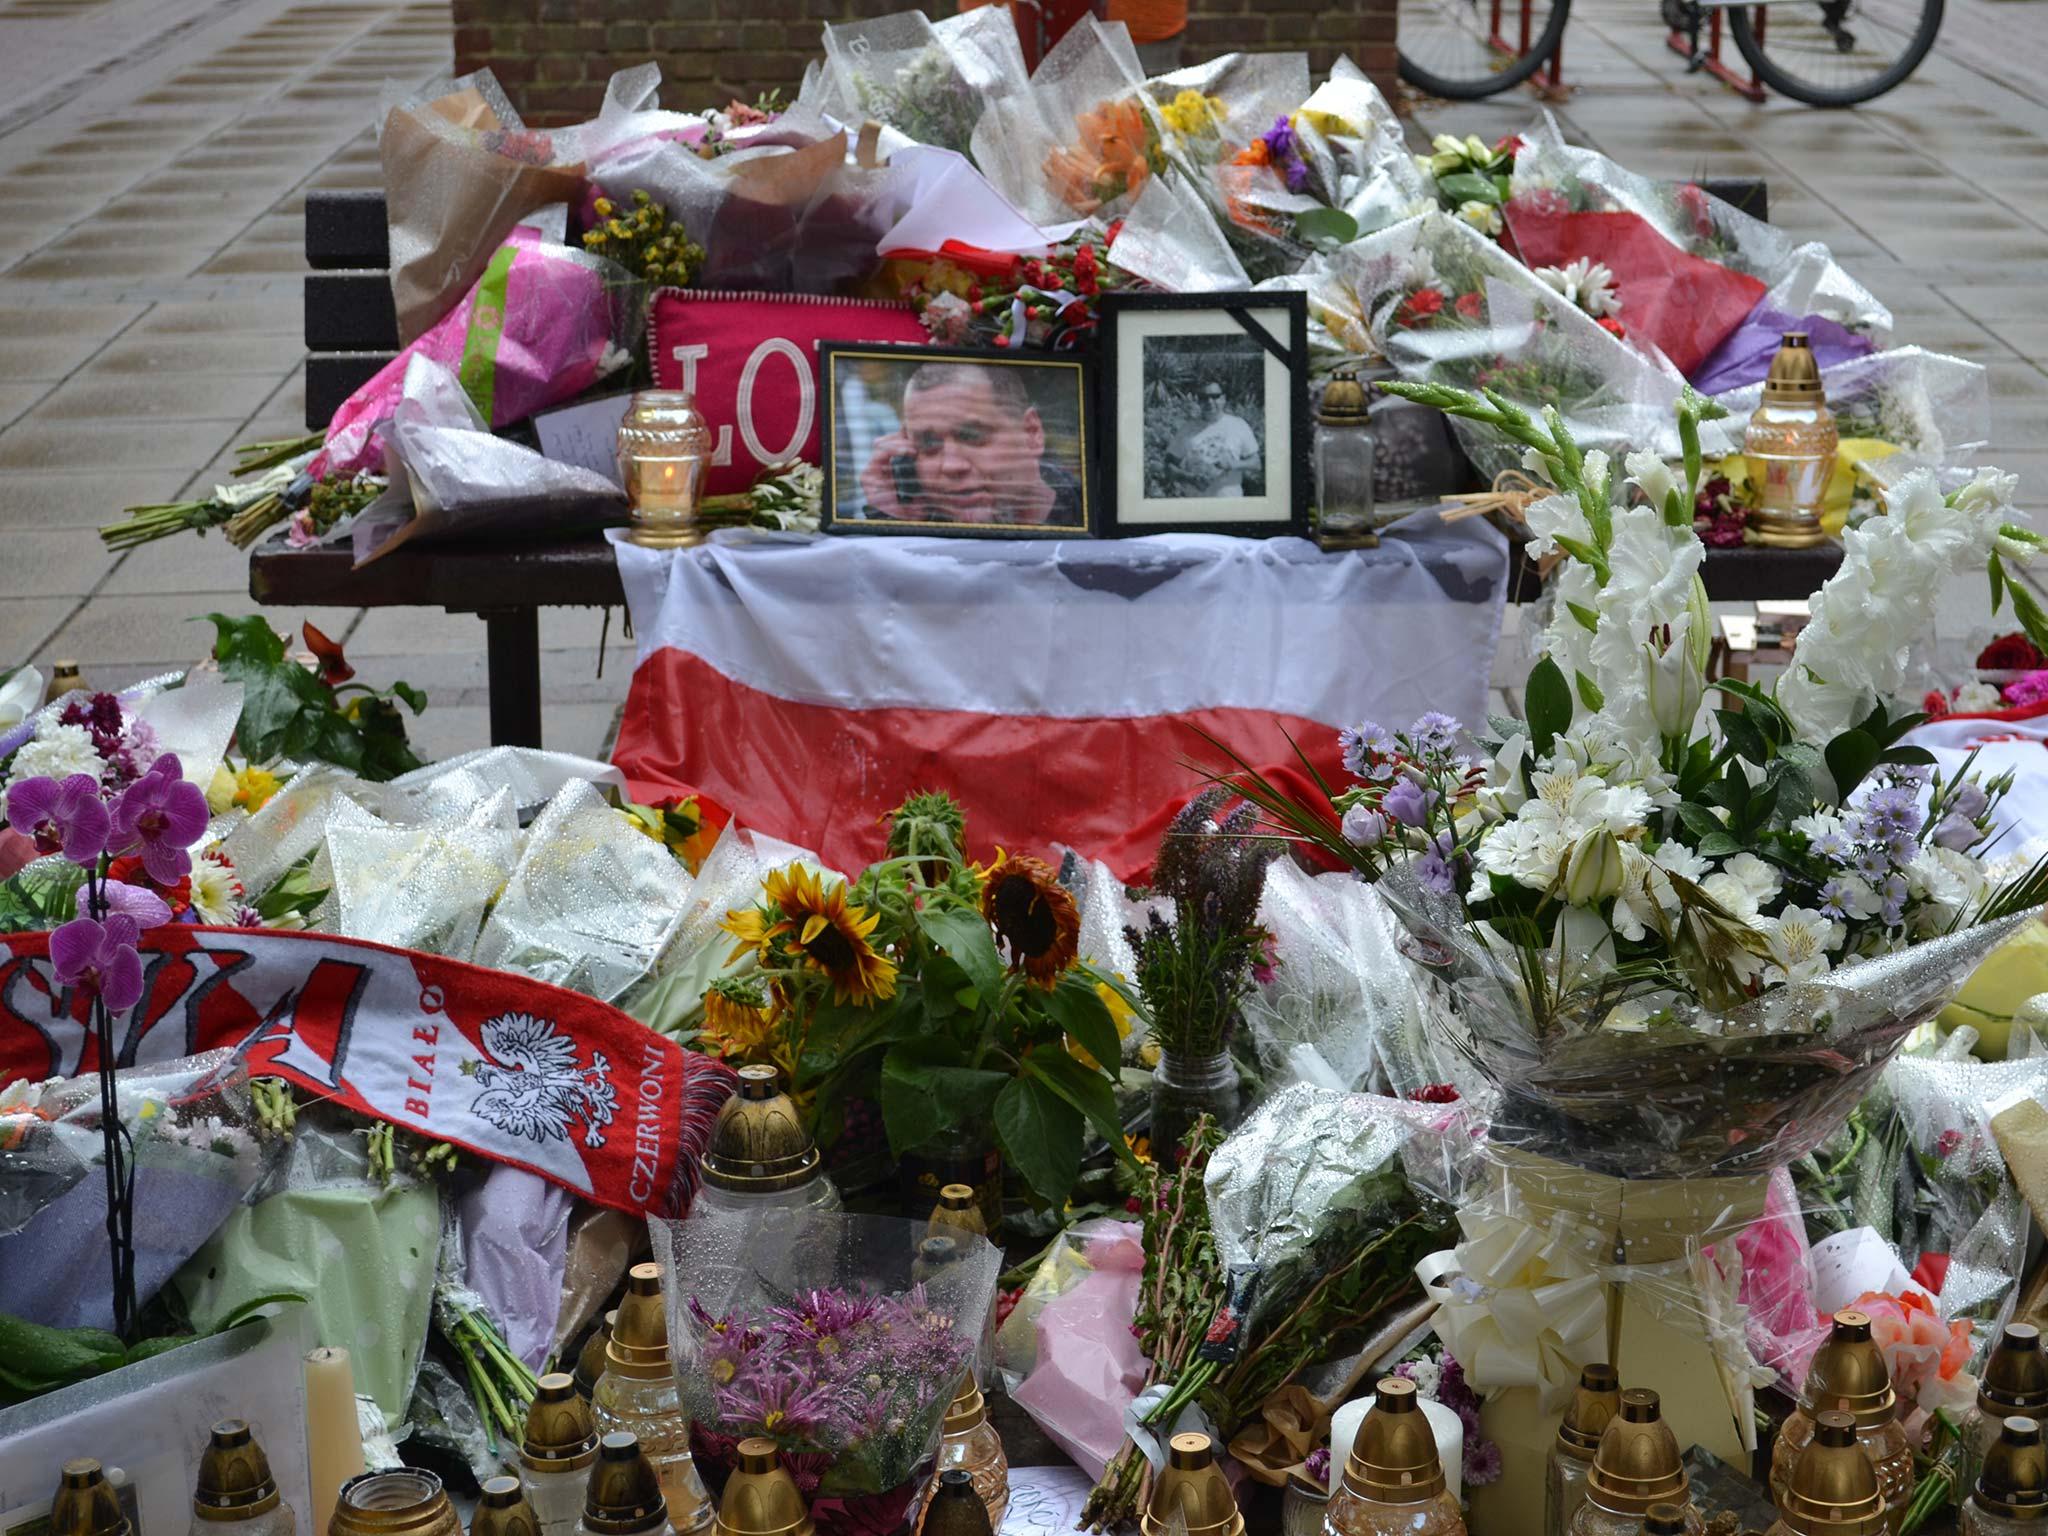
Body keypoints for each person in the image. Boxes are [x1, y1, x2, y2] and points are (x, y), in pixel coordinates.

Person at [856, 362, 1084, 527]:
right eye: (928, 443)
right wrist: (894, 524)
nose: (952, 466)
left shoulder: (1095, 520)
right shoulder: (917, 523)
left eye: (973, 436)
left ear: (1031, 434)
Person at [1169, 381, 1261, 496]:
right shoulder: (1186, 428)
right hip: (1195, 506)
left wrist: (1232, 464)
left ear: (1223, 398)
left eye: (1215, 396)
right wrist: (1190, 478)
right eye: (1204, 397)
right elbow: (1168, 465)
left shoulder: (1238, 425)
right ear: (1198, 400)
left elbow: (1256, 463)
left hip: (1230, 505)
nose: (1209, 402)